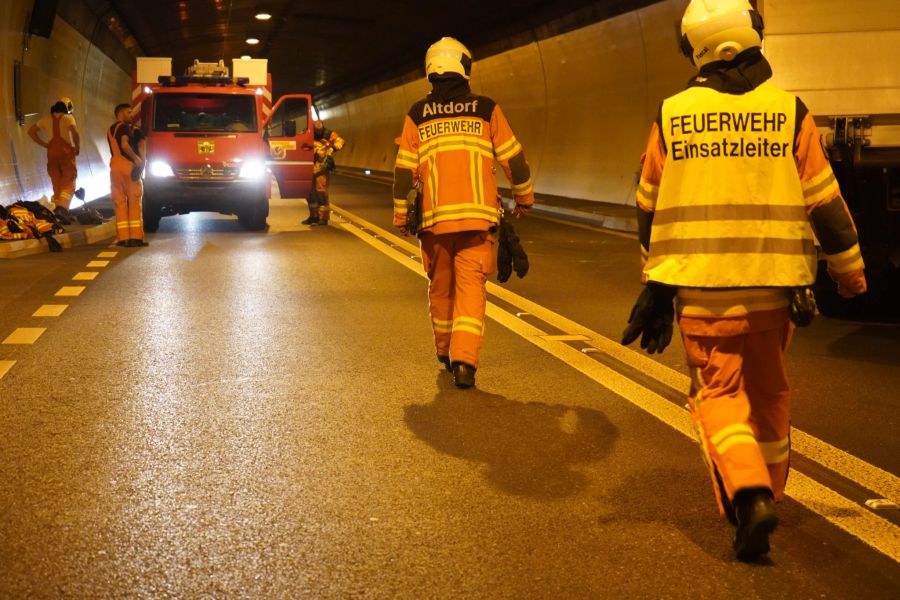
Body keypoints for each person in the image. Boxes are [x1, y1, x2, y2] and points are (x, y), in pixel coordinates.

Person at [623, 0, 867, 561]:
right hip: (774, 292)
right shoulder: (789, 111)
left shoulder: (673, 113)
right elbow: (825, 204)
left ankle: (750, 493)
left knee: (719, 395)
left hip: (704, 291)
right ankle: (767, 495)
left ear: (694, 48)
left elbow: (647, 205)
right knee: (769, 394)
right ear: (753, 35)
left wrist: (655, 282)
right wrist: (849, 272)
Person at [393, 37, 535, 389]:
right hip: (476, 221)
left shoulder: (417, 115)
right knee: (471, 290)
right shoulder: (486, 109)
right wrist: (524, 198)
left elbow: (402, 171)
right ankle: (464, 364)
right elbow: (514, 159)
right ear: (464, 67)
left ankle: (444, 351)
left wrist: (400, 215)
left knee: (441, 289)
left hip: (435, 223)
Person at [27, 97, 80, 222]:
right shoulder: (68, 118)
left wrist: (45, 144)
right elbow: (75, 133)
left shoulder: (46, 119)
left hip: (51, 156)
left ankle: (59, 214)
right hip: (66, 155)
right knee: (68, 183)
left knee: (57, 185)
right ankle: (62, 209)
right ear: (67, 109)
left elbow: (31, 132)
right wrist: (77, 146)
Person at [107, 103, 147, 247]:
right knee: (134, 199)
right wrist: (137, 159)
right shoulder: (124, 127)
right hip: (127, 166)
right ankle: (136, 237)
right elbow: (125, 145)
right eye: (129, 112)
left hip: (114, 166)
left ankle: (123, 238)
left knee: (119, 201)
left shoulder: (110, 129)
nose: (131, 115)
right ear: (121, 113)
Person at [302, 120, 345, 226]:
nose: (318, 131)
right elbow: (301, 144)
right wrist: (316, 151)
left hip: (321, 166)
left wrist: (332, 148)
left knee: (321, 192)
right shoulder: (306, 133)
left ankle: (323, 218)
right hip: (309, 165)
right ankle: (313, 216)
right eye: (316, 129)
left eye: (320, 129)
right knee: (309, 193)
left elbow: (341, 142)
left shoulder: (329, 134)